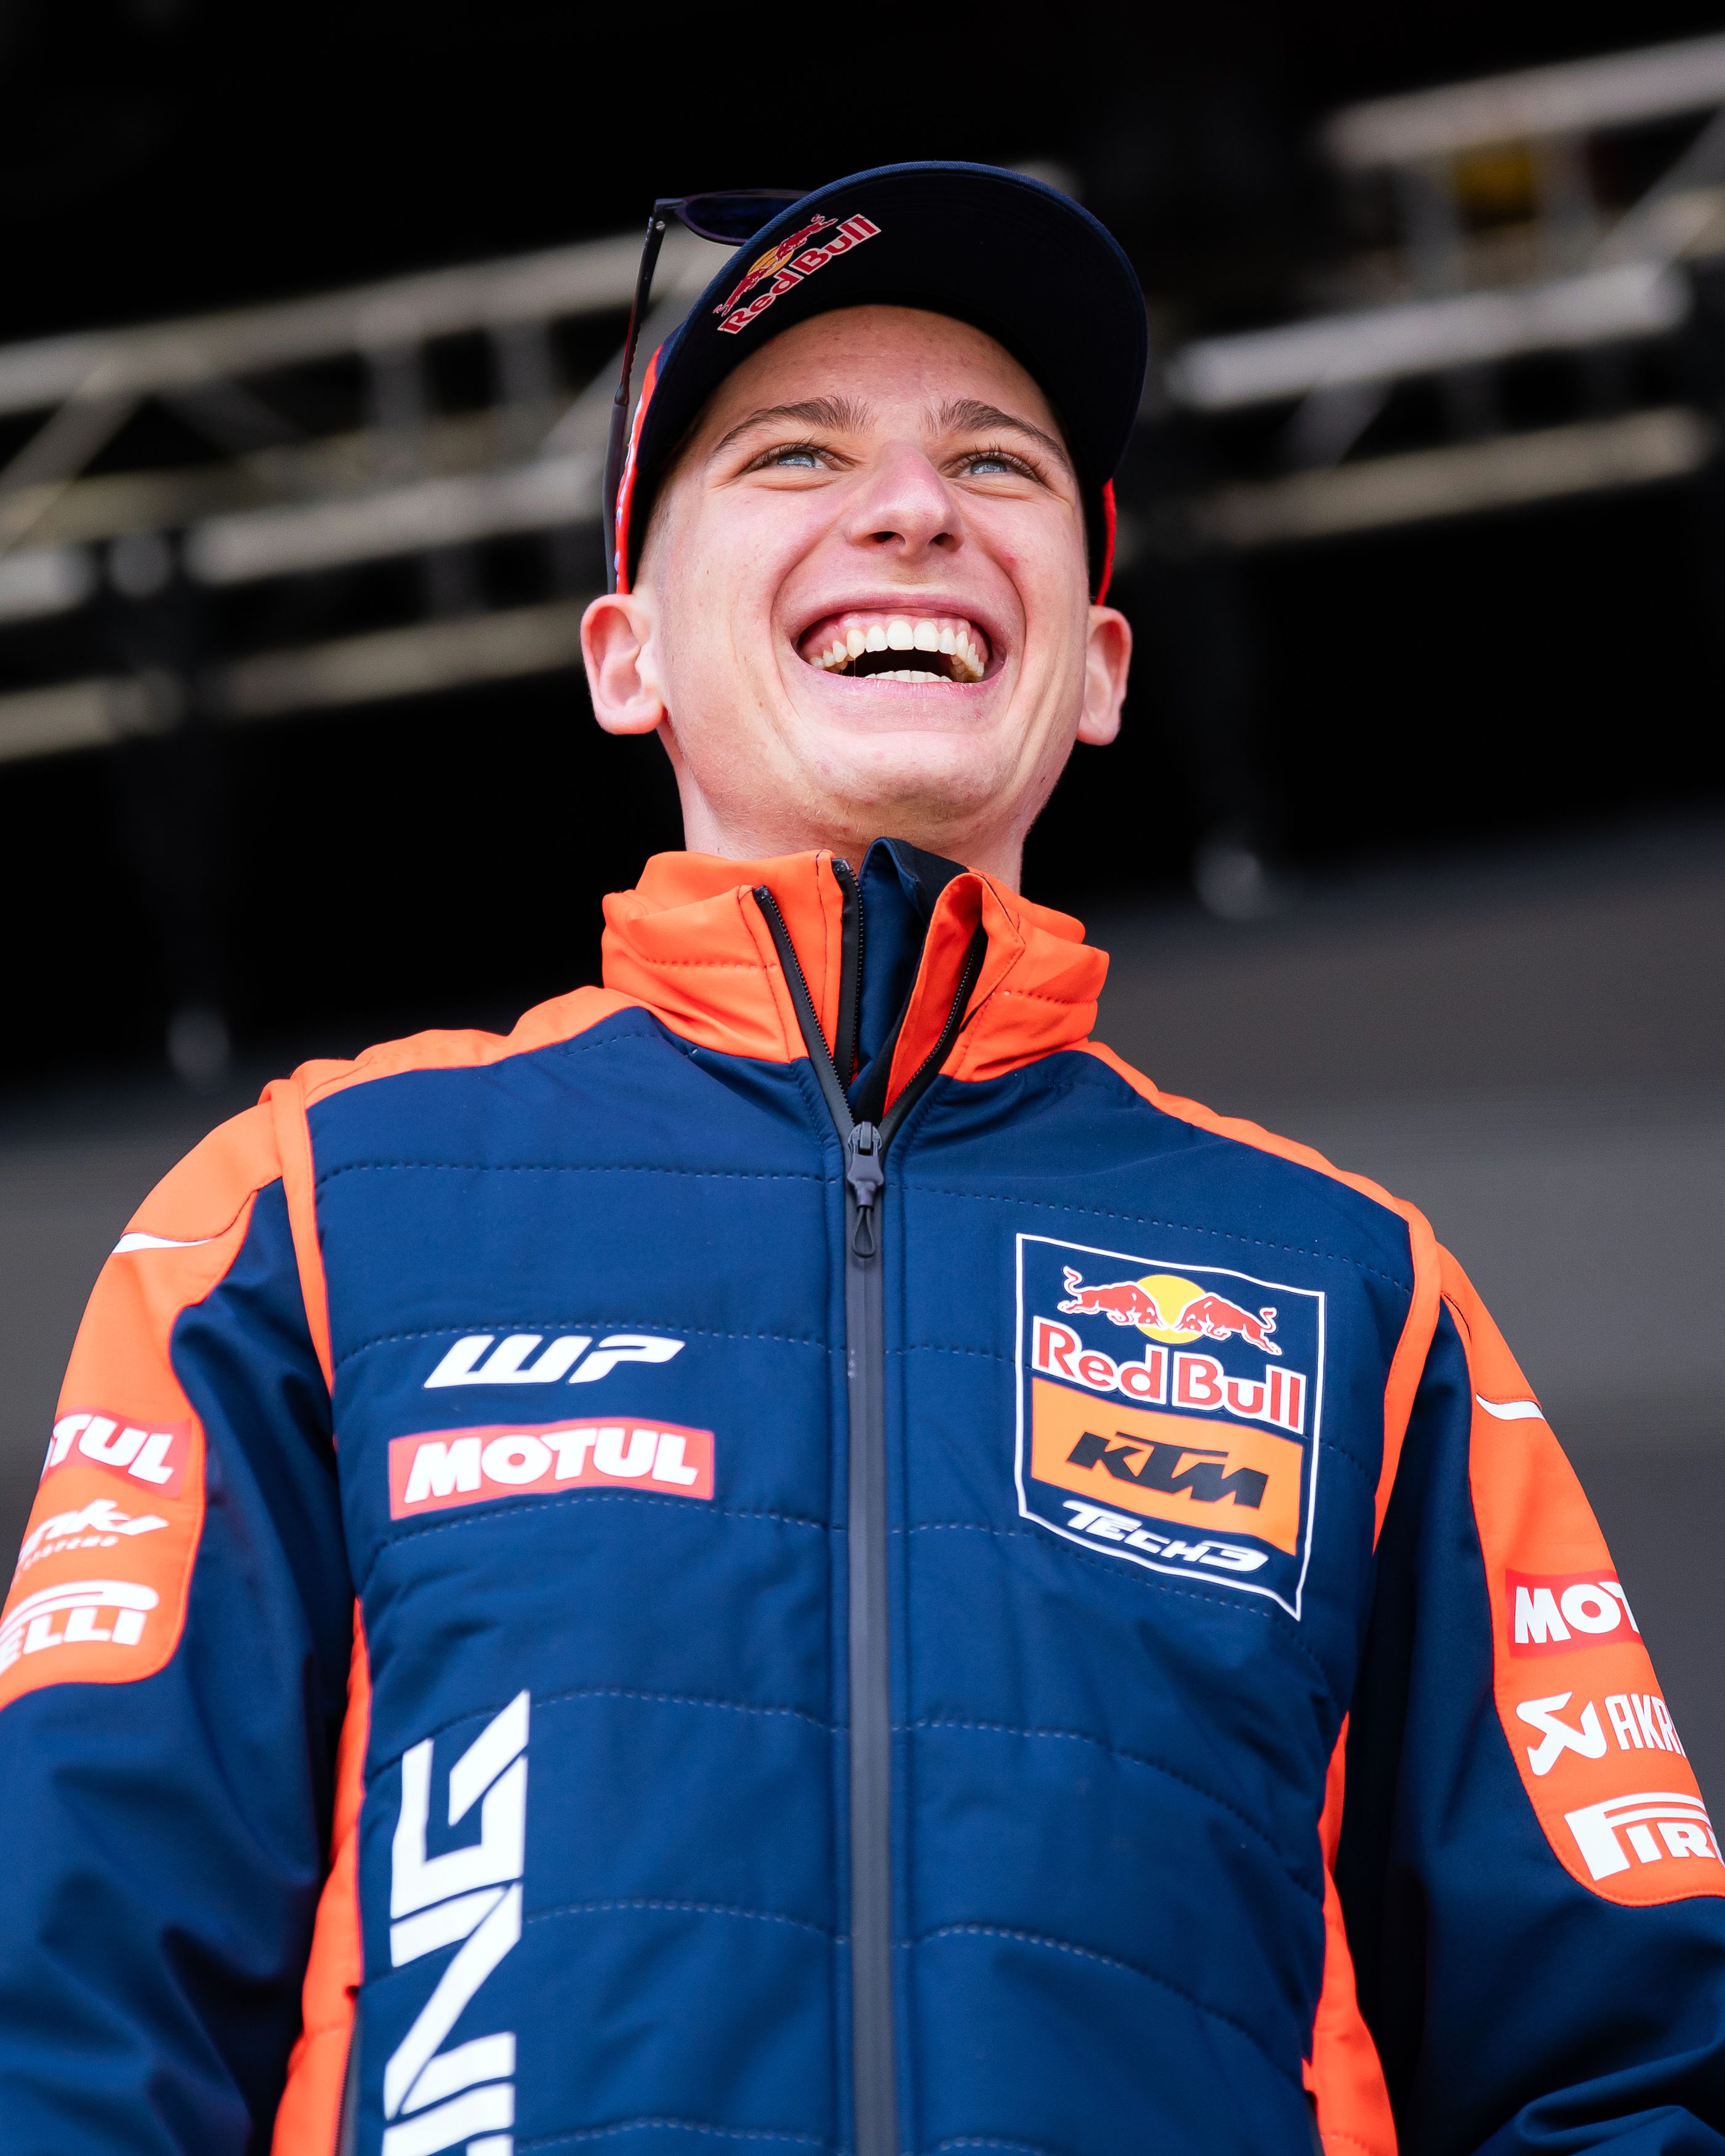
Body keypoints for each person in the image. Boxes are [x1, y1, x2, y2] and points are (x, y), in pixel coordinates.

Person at [0, 161, 1719, 2156]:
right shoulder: (315, 1208)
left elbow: (1621, 2062)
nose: (910, 508)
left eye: (995, 464)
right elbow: (71, 2007)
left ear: (1098, 667)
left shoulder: (1347, 1287)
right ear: (625, 654)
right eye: (795, 453)